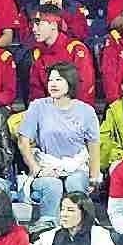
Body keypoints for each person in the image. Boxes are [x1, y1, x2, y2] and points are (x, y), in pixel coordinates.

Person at [17, 63, 101, 225]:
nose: (53, 84)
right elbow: (23, 140)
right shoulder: (38, 106)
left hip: (76, 166)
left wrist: (94, 176)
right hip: (45, 166)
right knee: (53, 185)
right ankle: (48, 226)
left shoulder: (86, 111)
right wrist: (36, 169)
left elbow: (93, 145)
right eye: (50, 80)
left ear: (71, 82)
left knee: (75, 182)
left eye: (59, 80)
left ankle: (82, 224)